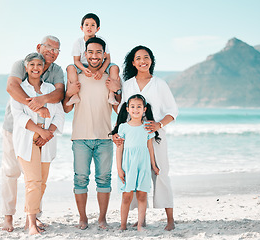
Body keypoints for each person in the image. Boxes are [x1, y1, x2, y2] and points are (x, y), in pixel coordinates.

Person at [1, 35, 64, 232]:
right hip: (16, 129)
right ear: (39, 47)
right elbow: (12, 88)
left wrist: (47, 131)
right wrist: (38, 109)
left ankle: (33, 217)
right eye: (48, 48)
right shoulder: (21, 64)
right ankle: (8, 217)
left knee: (39, 179)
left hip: (44, 134)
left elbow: (59, 95)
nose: (51, 52)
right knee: (12, 172)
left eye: (56, 50)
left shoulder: (55, 72)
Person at [113, 45, 178, 231]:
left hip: (154, 137)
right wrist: (117, 134)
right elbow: (122, 111)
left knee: (160, 174)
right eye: (138, 58)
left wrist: (159, 124)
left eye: (146, 57)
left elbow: (173, 111)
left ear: (151, 60)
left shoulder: (160, 84)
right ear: (133, 62)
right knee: (134, 176)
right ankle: (141, 219)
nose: (143, 61)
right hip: (132, 138)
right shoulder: (128, 84)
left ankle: (170, 219)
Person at [63, 37, 121, 230]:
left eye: (98, 53)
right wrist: (70, 93)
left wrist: (117, 89)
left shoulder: (109, 78)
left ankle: (102, 219)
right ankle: (83, 218)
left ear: (104, 55)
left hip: (105, 137)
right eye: (90, 52)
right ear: (85, 54)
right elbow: (66, 109)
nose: (94, 56)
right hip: (80, 138)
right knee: (80, 178)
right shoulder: (76, 76)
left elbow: (118, 110)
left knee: (104, 178)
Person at [111, 94, 160, 231]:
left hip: (143, 164)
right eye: (132, 106)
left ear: (144, 109)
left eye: (139, 106)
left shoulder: (147, 127)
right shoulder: (123, 127)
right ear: (127, 109)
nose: (135, 109)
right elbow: (119, 149)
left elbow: (150, 147)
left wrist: (154, 165)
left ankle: (140, 225)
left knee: (142, 194)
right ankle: (122, 225)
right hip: (128, 164)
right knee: (126, 196)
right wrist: (119, 169)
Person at [66, 13, 120, 106]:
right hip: (83, 64)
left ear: (97, 29)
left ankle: (111, 94)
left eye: (92, 25)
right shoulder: (78, 42)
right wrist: (83, 69)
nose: (89, 27)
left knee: (114, 67)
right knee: (70, 68)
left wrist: (101, 70)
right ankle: (74, 95)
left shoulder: (102, 40)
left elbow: (107, 59)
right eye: (86, 24)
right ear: (81, 28)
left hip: (100, 63)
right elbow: (76, 61)